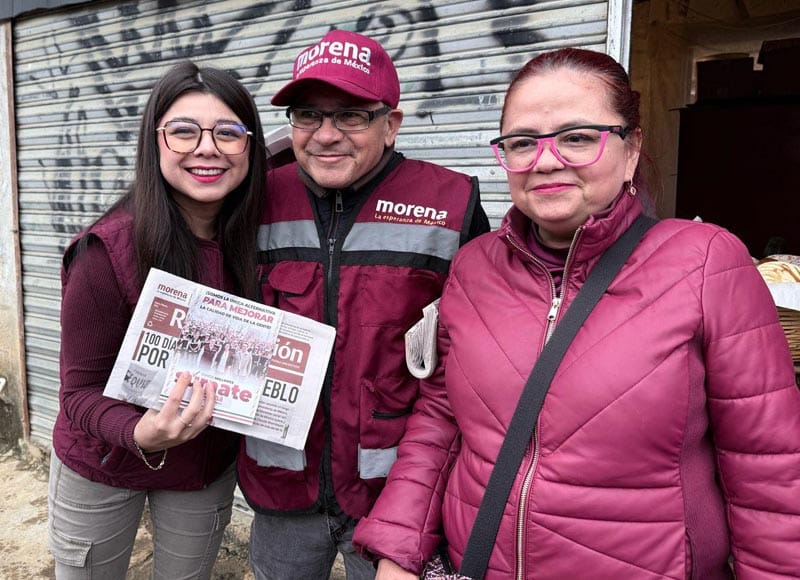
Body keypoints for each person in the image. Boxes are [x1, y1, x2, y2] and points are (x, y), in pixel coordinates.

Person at [353, 47, 800, 579]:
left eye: (578, 138)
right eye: (522, 143)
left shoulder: (706, 261)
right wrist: (398, 551)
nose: (545, 161)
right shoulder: (474, 267)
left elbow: (769, 469)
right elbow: (439, 420)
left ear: (631, 149)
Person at [237, 29, 490, 580]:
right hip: (283, 486)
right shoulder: (251, 198)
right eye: (308, 115)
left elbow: (478, 356)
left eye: (351, 115)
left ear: (391, 124)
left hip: (395, 495)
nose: (326, 135)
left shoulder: (450, 204)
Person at [47, 60, 266, 579]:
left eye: (228, 133)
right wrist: (139, 432)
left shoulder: (263, 240)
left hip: (202, 466)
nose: (207, 148)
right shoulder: (105, 252)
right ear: (154, 142)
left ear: (250, 148)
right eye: (184, 132)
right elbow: (77, 394)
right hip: (99, 459)